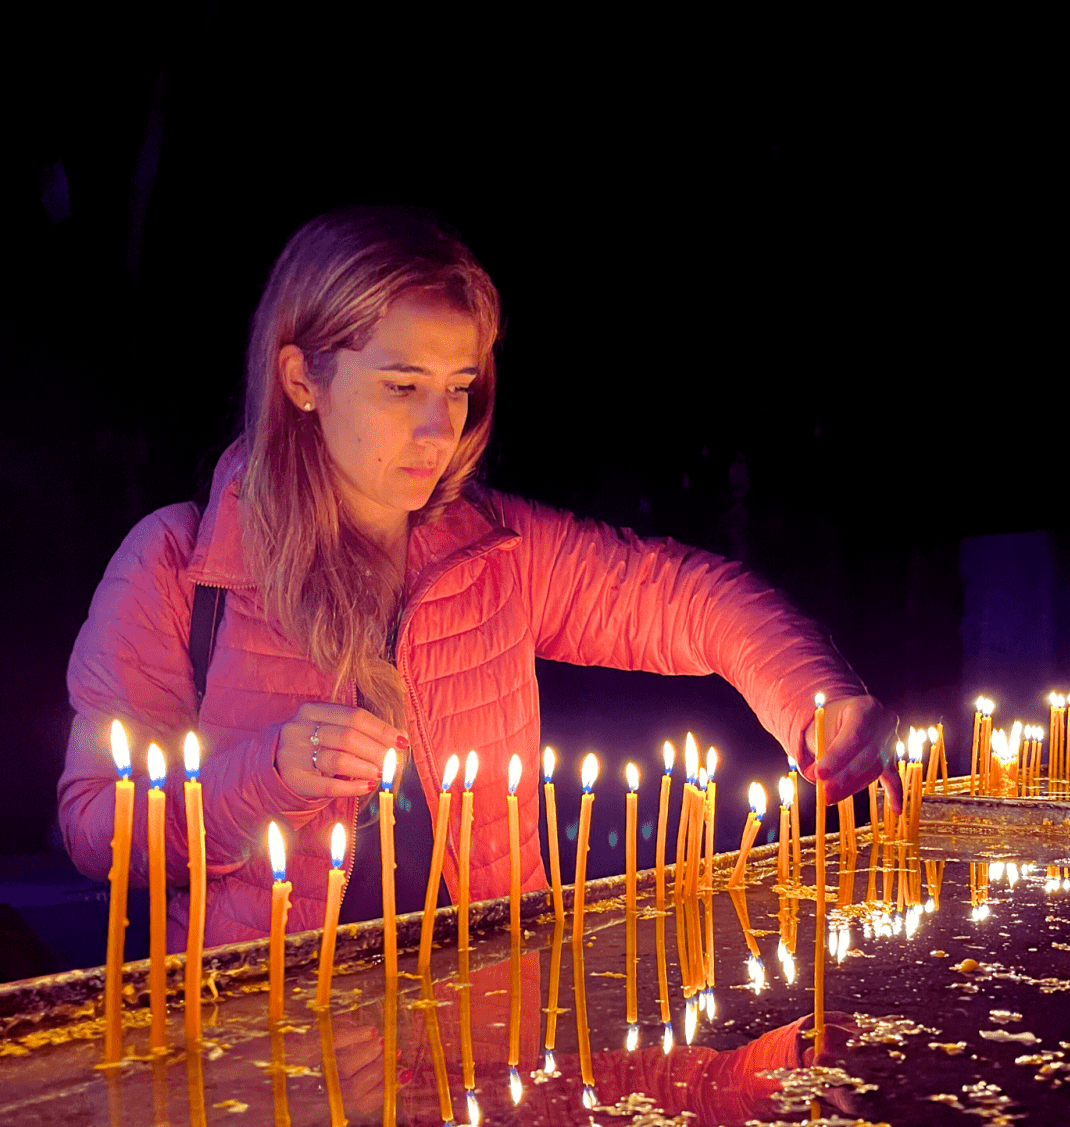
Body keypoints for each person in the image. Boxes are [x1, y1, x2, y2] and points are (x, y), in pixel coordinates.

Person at [58, 207, 901, 952]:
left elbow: (693, 599)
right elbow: (95, 829)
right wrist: (264, 773)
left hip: (483, 1029)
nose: (439, 428)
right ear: (300, 380)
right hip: (263, 1049)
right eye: (402, 386)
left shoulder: (497, 552)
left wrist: (816, 700)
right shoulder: (180, 569)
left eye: (460, 388)